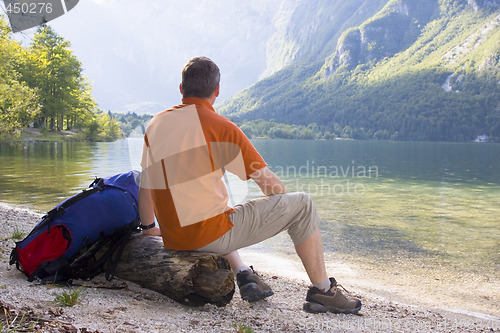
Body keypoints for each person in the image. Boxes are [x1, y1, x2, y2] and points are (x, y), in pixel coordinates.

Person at [138, 56, 361, 314]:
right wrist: (286, 214)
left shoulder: (155, 124)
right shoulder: (223, 128)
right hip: (208, 236)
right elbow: (271, 187)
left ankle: (243, 272)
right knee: (303, 205)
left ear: (181, 89)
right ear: (217, 91)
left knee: (220, 205)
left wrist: (148, 229)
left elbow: (146, 186)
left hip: (175, 238)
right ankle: (323, 291)